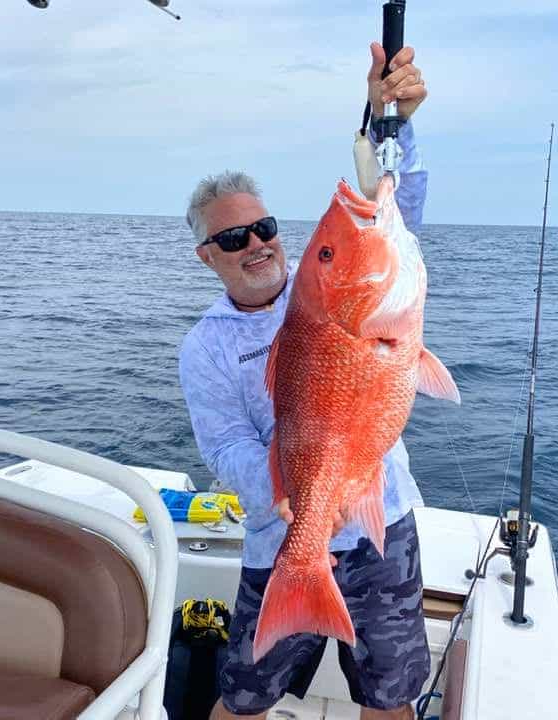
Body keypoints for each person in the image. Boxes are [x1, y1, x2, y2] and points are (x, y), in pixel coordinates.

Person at [179, 42, 431, 720]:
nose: (257, 244)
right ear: (209, 256)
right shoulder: (204, 349)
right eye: (233, 238)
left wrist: (393, 120)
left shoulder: (332, 294)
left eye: (263, 227)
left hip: (383, 531)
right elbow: (226, 450)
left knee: (391, 697)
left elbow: (390, 211)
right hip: (281, 541)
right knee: (243, 697)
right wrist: (292, 496)